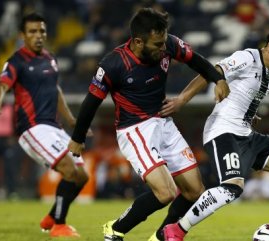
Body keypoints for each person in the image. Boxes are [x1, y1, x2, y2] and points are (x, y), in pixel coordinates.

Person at [159, 25, 269, 241]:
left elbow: (246, 92)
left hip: (245, 133)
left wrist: (249, 113)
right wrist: (181, 100)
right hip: (223, 131)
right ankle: (176, 230)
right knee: (231, 188)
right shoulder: (247, 58)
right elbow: (212, 71)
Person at [67, 8, 229, 241]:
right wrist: (77, 138)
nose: (164, 49)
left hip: (164, 123)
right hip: (135, 129)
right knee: (165, 192)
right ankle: (115, 230)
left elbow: (198, 61)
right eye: (157, 44)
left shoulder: (168, 44)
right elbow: (91, 103)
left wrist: (218, 79)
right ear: (138, 42)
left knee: (195, 191)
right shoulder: (113, 64)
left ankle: (161, 236)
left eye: (164, 42)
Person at [0, 13, 89, 237]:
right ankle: (59, 225)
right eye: (33, 32)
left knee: (82, 176)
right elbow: (1, 86)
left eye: (42, 31)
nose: (38, 36)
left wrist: (72, 120)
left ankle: (51, 216)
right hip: (32, 128)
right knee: (69, 170)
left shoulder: (50, 58)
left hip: (54, 127)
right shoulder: (16, 61)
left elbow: (56, 91)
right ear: (22, 36)